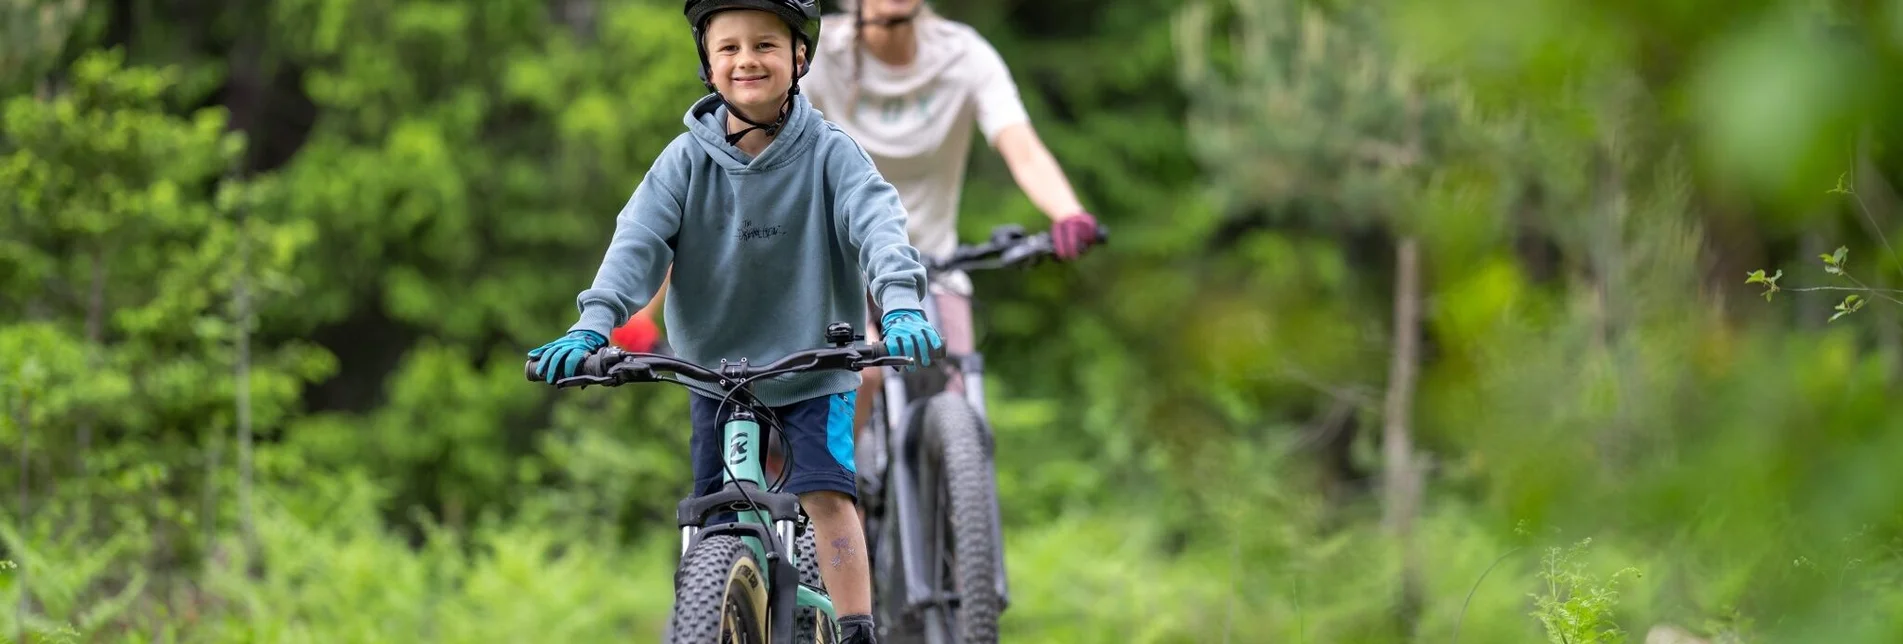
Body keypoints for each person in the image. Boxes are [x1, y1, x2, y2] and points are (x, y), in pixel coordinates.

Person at [525, 1, 941, 641]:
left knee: (828, 498)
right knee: (713, 519)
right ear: (708, 63)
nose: (747, 59)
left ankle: (858, 626)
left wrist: (902, 300)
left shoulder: (831, 154)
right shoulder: (683, 162)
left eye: (766, 45)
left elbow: (879, 226)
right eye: (729, 48)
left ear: (799, 58)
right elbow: (636, 242)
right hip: (713, 374)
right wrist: (595, 323)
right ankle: (709, 610)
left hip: (816, 368)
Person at [614, 0, 1102, 442]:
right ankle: (841, 500)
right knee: (861, 375)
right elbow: (728, 193)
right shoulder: (815, 57)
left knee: (957, 396)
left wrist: (1068, 212)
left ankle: (958, 517)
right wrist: (643, 310)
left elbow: (1019, 144)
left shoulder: (964, 56)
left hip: (932, 260)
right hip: (829, 263)